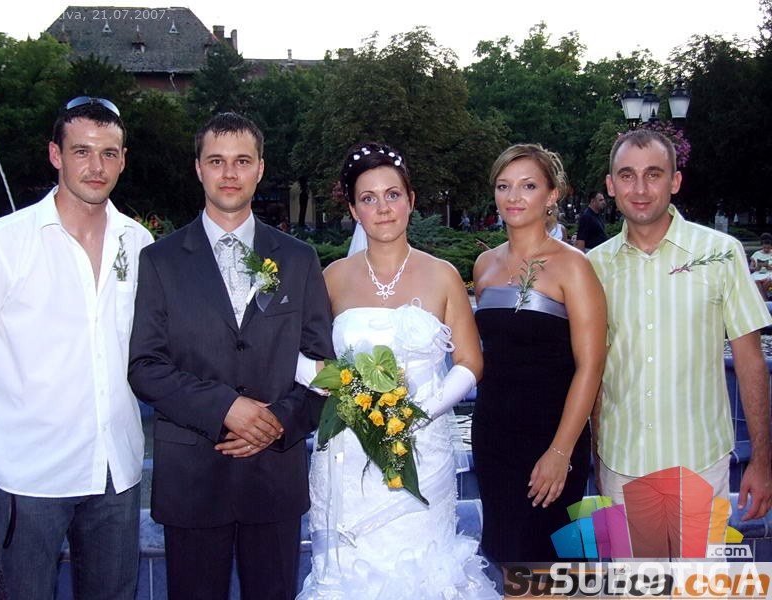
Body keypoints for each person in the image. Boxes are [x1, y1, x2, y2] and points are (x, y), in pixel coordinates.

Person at [127, 112, 334, 599]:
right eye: (216, 161)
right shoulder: (159, 260)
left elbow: (324, 368)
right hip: (193, 480)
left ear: (260, 168)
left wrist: (277, 421)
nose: (229, 173)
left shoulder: (298, 258)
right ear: (198, 168)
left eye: (242, 161)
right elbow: (145, 367)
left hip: (274, 476)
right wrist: (225, 408)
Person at [296, 142, 498, 599]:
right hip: (348, 454)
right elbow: (297, 353)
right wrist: (332, 385)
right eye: (368, 198)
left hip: (422, 452)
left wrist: (418, 411)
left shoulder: (443, 275)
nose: (383, 208)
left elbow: (471, 362)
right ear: (354, 210)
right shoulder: (332, 278)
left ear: (411, 200)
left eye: (393, 194)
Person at [0, 96, 152, 599]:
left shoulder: (138, 244)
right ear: (56, 154)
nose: (96, 167)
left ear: (123, 160)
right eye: (81, 151)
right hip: (29, 477)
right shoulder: (0, 244)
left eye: (109, 153)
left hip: (116, 472)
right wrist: (10, 422)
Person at [588, 129, 772, 557]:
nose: (640, 188)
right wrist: (597, 457)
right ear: (611, 185)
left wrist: (763, 461)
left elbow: (750, 363)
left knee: (698, 586)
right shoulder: (593, 267)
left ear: (675, 181)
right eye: (627, 175)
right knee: (637, 586)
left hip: (700, 466)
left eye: (653, 174)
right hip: (622, 468)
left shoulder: (722, 254)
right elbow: (594, 369)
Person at [473, 144, 606, 564]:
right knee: (507, 559)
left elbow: (591, 366)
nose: (513, 197)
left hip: (551, 439)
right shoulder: (484, 265)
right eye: (504, 186)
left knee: (546, 568)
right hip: (493, 436)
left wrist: (561, 452)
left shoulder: (574, 266)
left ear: (552, 195)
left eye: (528, 186)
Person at [750, 232, 772, 300]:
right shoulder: (756, 254)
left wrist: (769, 267)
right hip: (758, 273)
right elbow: (750, 268)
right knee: (756, 281)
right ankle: (765, 299)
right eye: (764, 247)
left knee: (769, 280)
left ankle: (763, 299)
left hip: (770, 273)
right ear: (762, 245)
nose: (766, 249)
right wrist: (756, 268)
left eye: (768, 248)